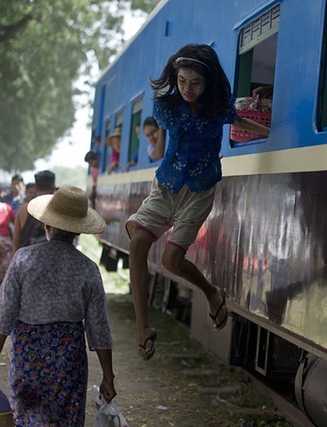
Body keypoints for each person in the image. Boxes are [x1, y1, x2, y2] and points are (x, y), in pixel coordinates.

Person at [125, 43, 270, 360]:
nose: (187, 89)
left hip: (200, 189)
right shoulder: (166, 108)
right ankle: (143, 327)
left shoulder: (219, 108)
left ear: (209, 82)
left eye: (195, 83)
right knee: (137, 243)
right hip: (166, 185)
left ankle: (211, 293)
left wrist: (269, 132)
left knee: (171, 262)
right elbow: (161, 143)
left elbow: (239, 122)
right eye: (182, 81)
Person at [0, 185, 116, 426]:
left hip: (27, 358)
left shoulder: (23, 259)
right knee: (66, 420)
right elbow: (99, 329)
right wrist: (108, 376)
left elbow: (3, 316)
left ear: (46, 225)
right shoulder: (88, 269)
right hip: (68, 361)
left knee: (26, 419)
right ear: (78, 232)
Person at [13, 170, 56, 253]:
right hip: (49, 260)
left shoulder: (24, 209)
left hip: (26, 259)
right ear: (53, 186)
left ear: (35, 187)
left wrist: (15, 261)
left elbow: (16, 240)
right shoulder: (57, 208)